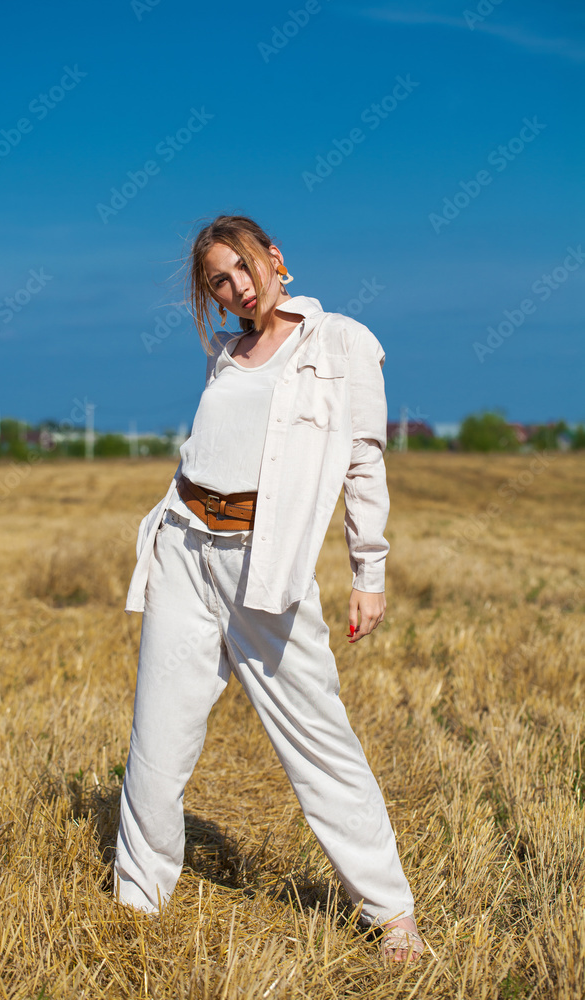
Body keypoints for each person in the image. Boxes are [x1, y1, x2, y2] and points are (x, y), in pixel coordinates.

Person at [114, 214, 425, 963]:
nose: (237, 287)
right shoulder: (225, 355)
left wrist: (369, 571)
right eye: (218, 281)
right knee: (157, 737)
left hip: (265, 565)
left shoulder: (342, 342)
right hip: (185, 546)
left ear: (275, 257)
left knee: (317, 738)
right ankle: (137, 902)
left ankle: (391, 914)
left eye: (243, 267)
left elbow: (363, 463)